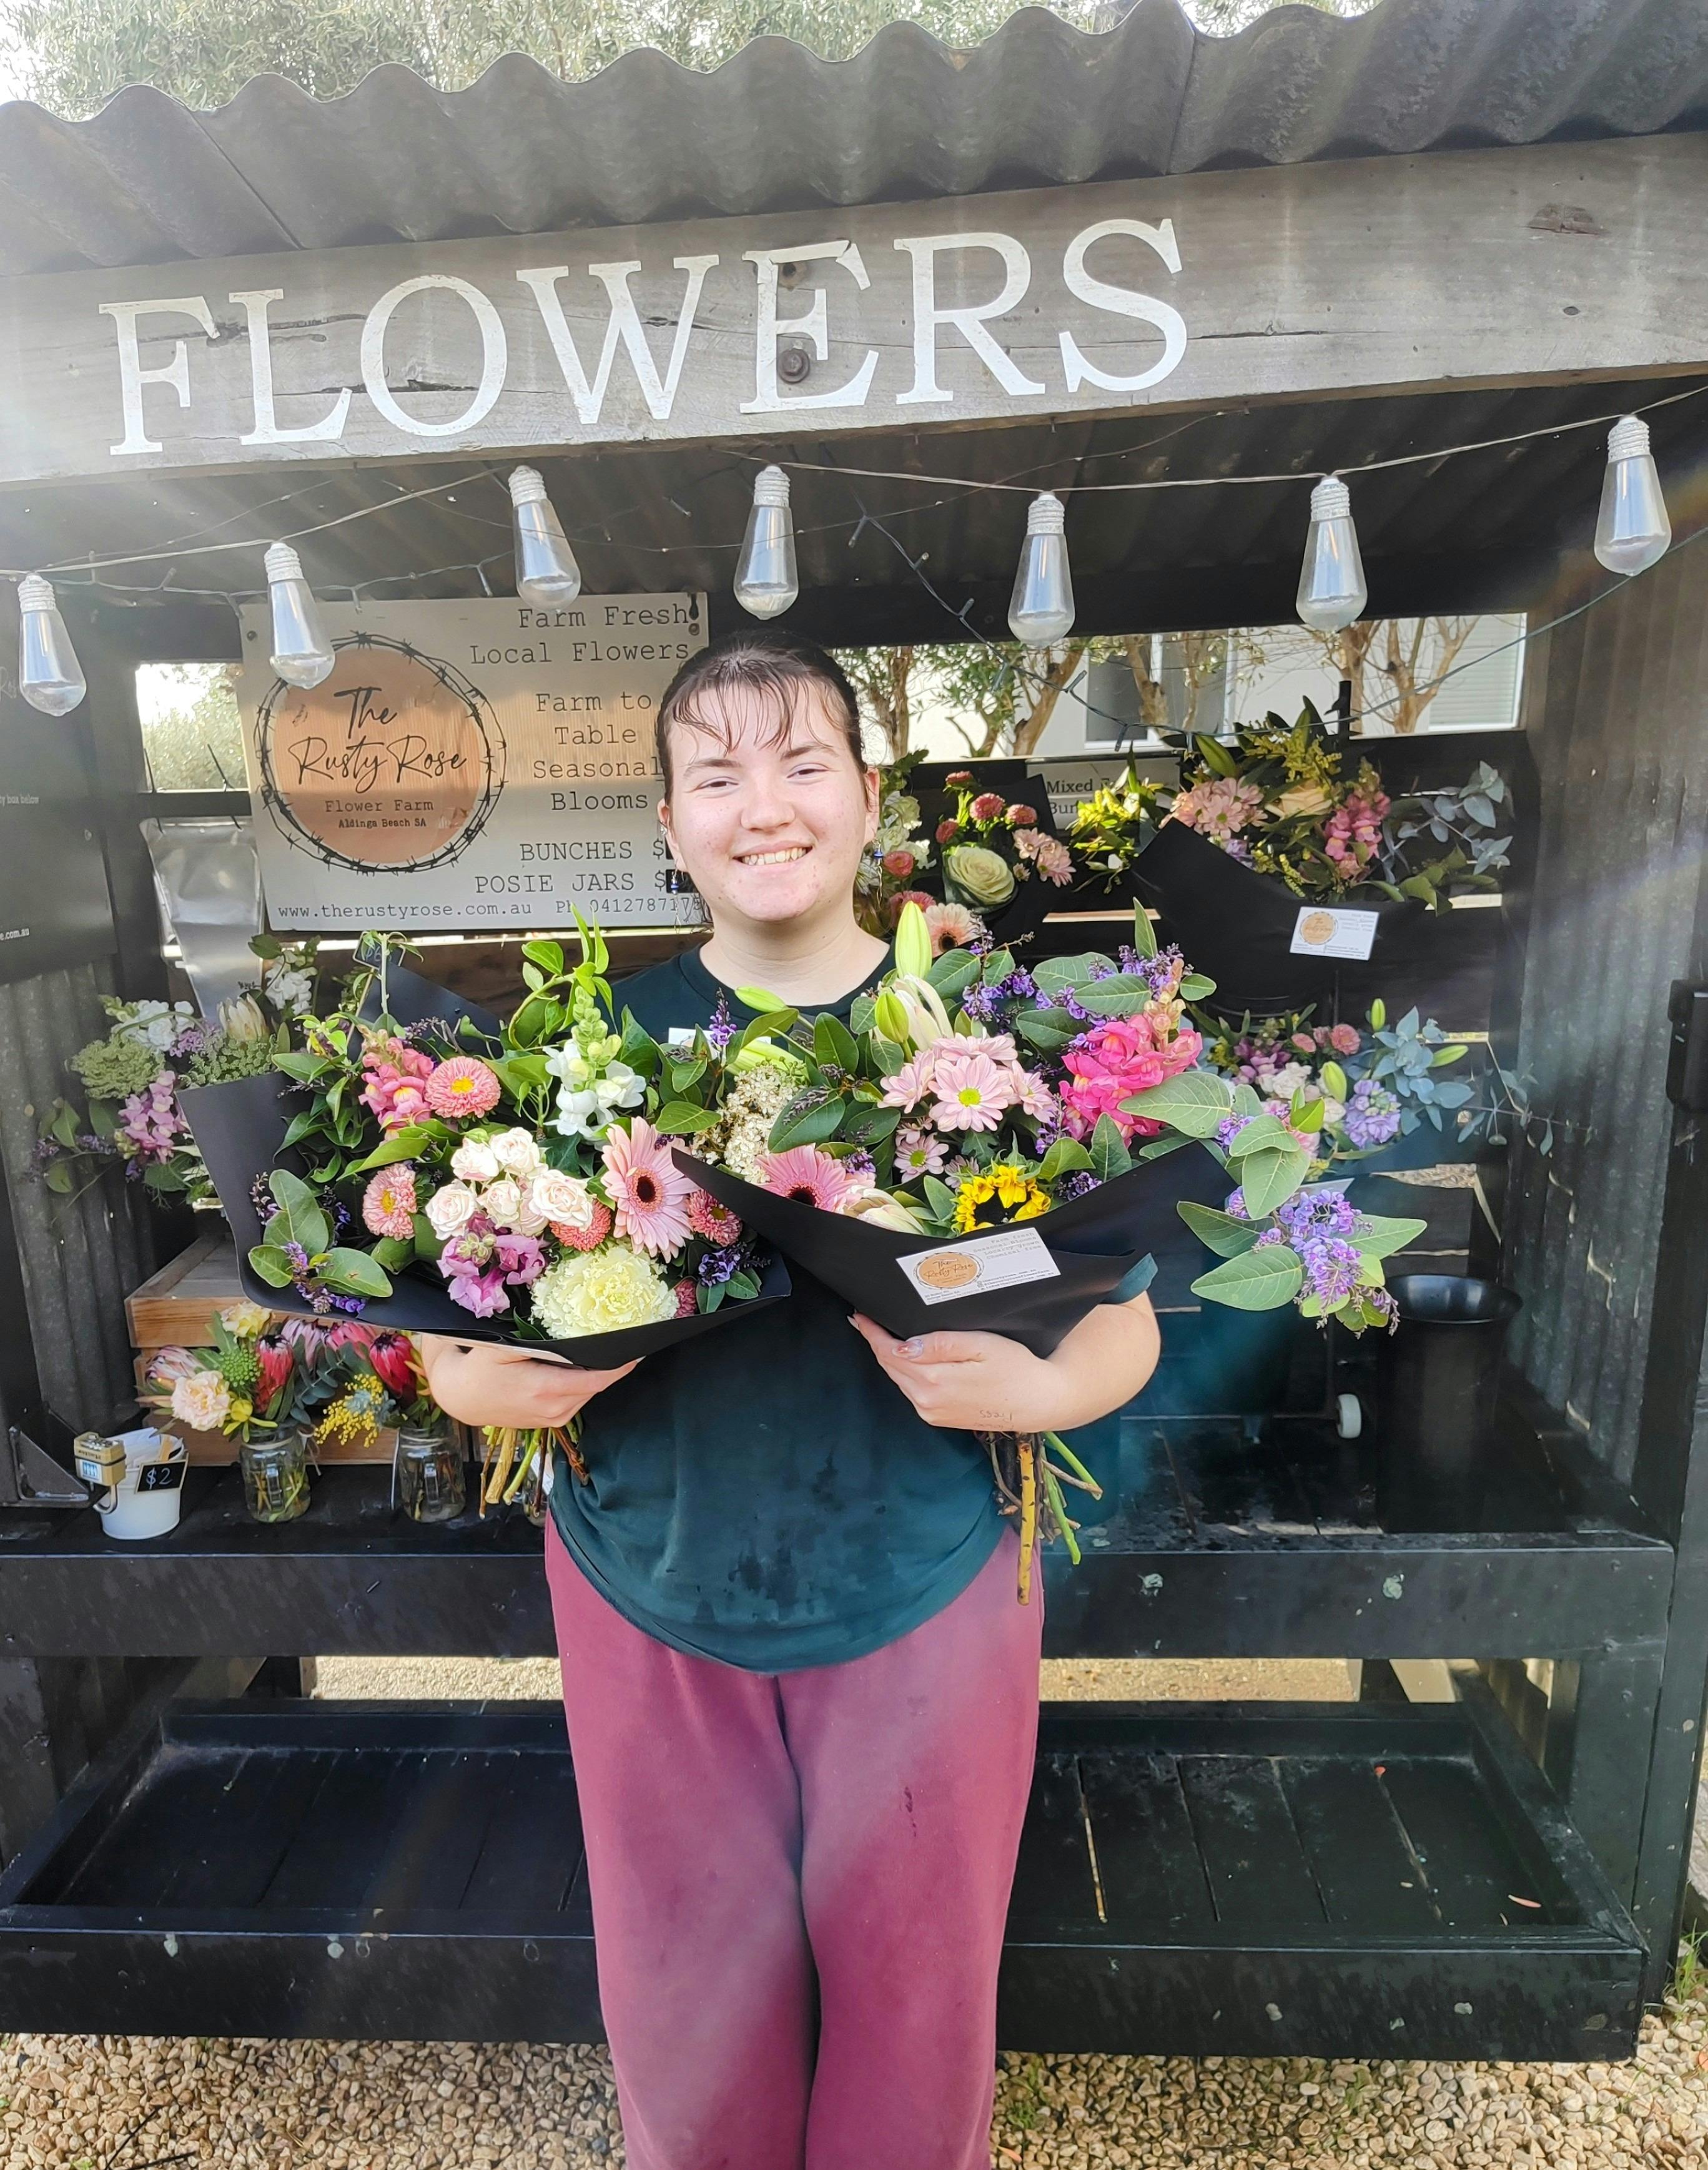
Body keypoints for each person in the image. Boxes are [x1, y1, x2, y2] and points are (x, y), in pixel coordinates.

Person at [418, 631, 1162, 2170]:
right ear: (673, 821)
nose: (764, 805)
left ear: (869, 796)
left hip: (931, 1587)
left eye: (802, 760)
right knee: (690, 2035)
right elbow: (448, 1345)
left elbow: (1123, 1337)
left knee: (921, 2020)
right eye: (717, 772)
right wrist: (504, 1380)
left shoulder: (981, 1048)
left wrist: (1026, 1386)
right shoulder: (582, 1052)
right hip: (652, 1591)